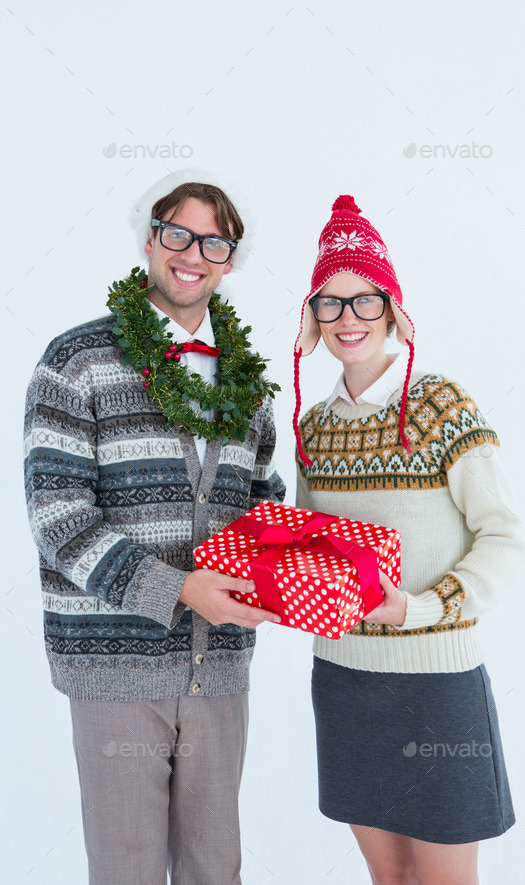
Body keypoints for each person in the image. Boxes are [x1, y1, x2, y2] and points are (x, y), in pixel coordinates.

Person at [23, 169, 286, 885]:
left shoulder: (246, 381)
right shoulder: (76, 361)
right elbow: (60, 518)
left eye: (215, 242)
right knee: (127, 869)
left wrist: (280, 579)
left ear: (231, 259)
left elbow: (264, 501)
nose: (194, 253)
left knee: (215, 870)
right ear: (150, 239)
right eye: (180, 233)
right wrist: (180, 589)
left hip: (221, 664)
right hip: (116, 668)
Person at [293, 195, 525, 885]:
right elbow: (317, 551)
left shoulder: (440, 404)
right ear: (311, 320)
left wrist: (418, 608)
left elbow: (506, 537)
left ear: (393, 309)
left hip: (437, 683)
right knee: (389, 877)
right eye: (329, 304)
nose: (348, 320)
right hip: (343, 681)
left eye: (364, 301)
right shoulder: (313, 427)